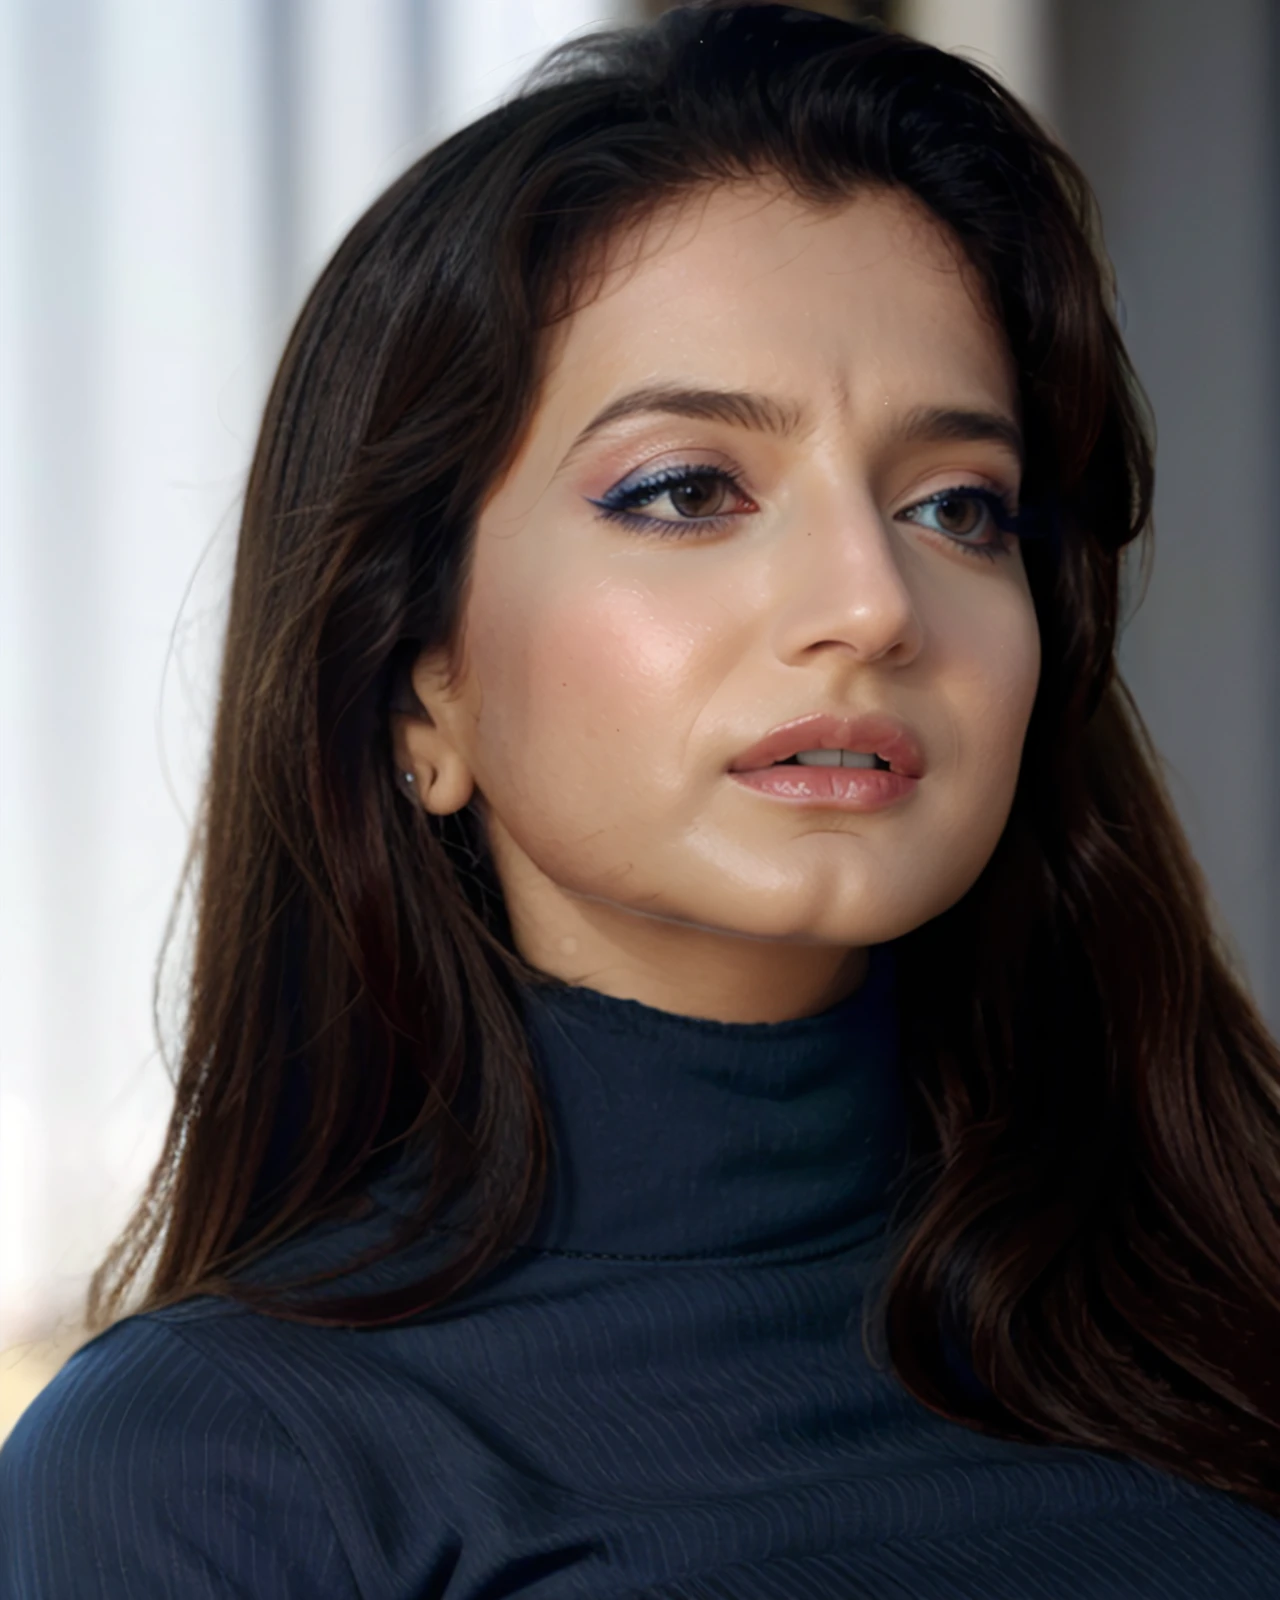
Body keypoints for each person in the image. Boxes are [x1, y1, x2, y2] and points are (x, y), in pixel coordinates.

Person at [4, 3, 1279, 1594]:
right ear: (424, 687)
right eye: (686, 491)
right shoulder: (220, 1467)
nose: (874, 603)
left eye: (959, 506)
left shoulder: (1230, 1320)